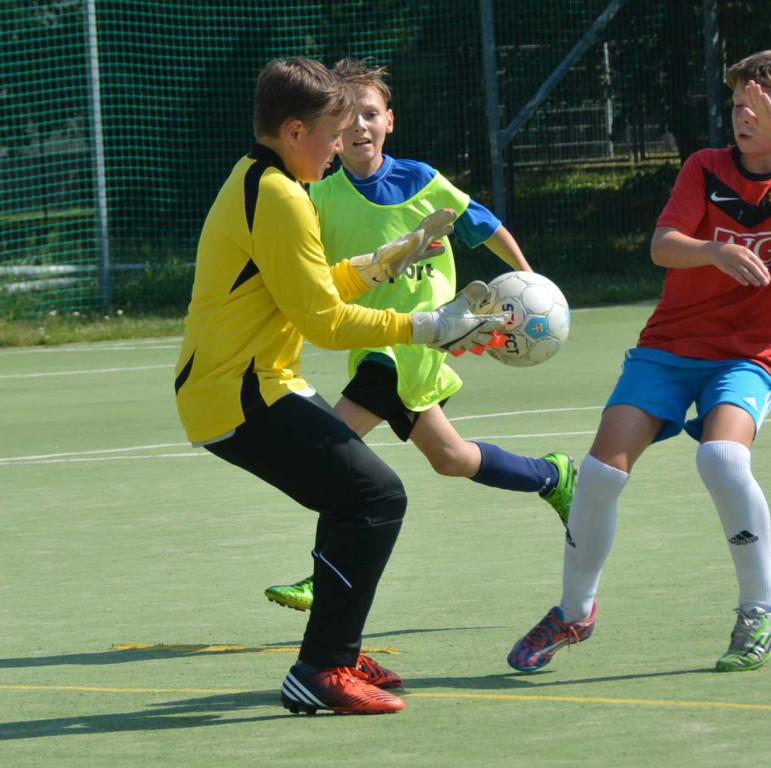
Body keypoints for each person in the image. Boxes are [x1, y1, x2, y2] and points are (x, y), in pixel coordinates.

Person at [506, 47, 771, 673]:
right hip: (669, 347)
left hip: (750, 354)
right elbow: (662, 246)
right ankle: (575, 613)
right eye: (738, 105)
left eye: (759, 107)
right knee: (599, 476)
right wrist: (714, 251)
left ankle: (763, 608)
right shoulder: (705, 167)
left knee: (722, 457)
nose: (743, 116)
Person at [173, 57, 506, 715]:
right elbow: (324, 321)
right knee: (375, 497)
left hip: (257, 384)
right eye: (332, 130)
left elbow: (313, 286)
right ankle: (320, 671)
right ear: (294, 131)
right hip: (238, 393)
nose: (338, 145)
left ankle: (337, 654)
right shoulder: (278, 198)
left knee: (356, 498)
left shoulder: (260, 180)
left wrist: (393, 255)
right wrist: (429, 325)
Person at [262, 58, 577, 613]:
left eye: (371, 114)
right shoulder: (321, 199)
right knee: (451, 457)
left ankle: (323, 577)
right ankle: (552, 476)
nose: (361, 126)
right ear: (333, 130)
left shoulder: (423, 182)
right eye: (349, 118)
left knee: (335, 448)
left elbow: (486, 226)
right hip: (375, 342)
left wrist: (527, 277)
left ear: (390, 122)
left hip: (419, 346)